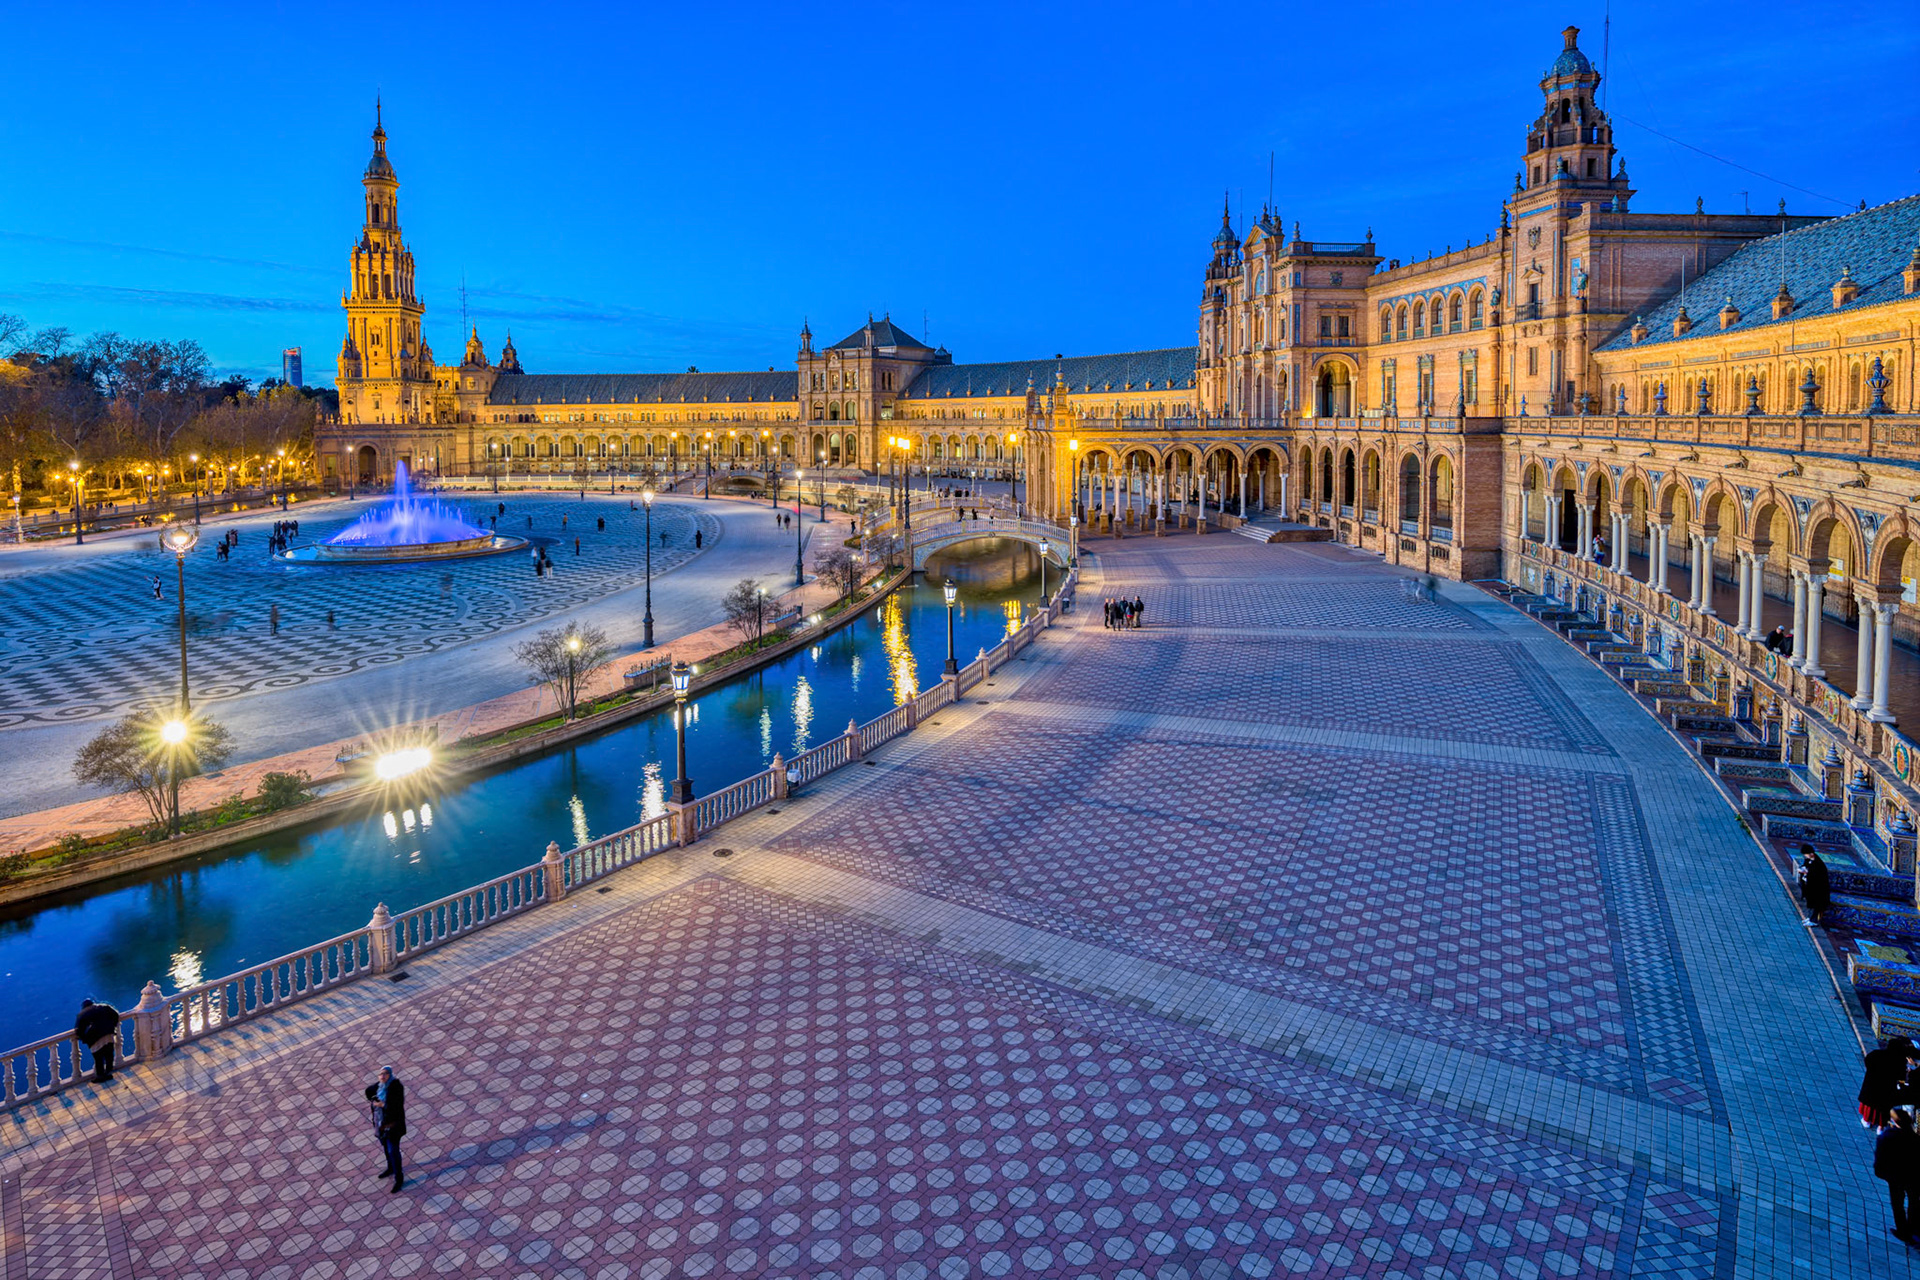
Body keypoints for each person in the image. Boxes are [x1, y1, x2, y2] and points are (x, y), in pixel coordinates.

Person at [365, 1066, 408, 1192]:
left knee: (393, 1151)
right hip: (381, 1125)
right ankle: (390, 1168)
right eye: (381, 1074)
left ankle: (398, 1178)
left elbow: (397, 1106)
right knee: (385, 1148)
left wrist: (382, 1104)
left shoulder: (396, 1087)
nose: (383, 1076)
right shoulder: (379, 1087)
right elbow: (369, 1091)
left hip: (393, 1126)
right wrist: (373, 1098)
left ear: (390, 1075)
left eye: (386, 1074)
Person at [1879, 1108, 1920, 1241]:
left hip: (1896, 1177)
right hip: (1914, 1176)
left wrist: (1884, 1174)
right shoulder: (1915, 1138)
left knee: (1897, 1204)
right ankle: (1913, 1226)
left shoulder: (1888, 1137)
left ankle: (1903, 1230)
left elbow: (1881, 1161)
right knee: (1914, 1201)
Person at [1863, 1039, 1916, 1130]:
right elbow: (1901, 1077)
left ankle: (1867, 1121)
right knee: (1883, 1108)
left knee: (1869, 1106)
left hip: (1872, 1085)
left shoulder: (1876, 1054)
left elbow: (1867, 1061)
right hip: (1886, 1089)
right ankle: (1880, 1128)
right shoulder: (1899, 1061)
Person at [74, 999, 120, 1083]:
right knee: (109, 1054)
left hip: (95, 1038)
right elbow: (115, 1015)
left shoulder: (83, 1014)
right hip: (108, 1034)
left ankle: (100, 1076)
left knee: (98, 1058)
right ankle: (108, 1073)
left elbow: (79, 1031)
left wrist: (85, 1039)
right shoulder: (104, 1007)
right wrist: (112, 1026)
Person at [1798, 845, 1831, 925]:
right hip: (1812, 887)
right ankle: (1810, 918)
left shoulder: (1818, 864)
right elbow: (1806, 866)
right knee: (1811, 903)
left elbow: (1817, 876)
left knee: (1816, 905)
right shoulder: (1809, 860)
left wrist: (1806, 873)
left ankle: (1814, 921)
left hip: (1819, 889)